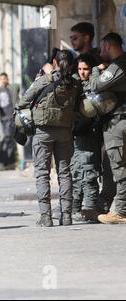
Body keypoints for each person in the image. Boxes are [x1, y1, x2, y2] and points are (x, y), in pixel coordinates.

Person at [16, 50, 81, 227]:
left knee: (43, 174)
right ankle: (66, 216)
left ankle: (46, 217)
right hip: (65, 132)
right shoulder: (75, 83)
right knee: (65, 173)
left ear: (54, 62)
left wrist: (44, 75)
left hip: (43, 132)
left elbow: (23, 101)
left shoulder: (46, 79)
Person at [87, 33, 126, 224]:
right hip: (116, 121)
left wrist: (95, 69)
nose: (101, 52)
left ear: (109, 45)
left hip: (118, 122)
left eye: (102, 48)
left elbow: (96, 85)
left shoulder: (119, 64)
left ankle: (122, 211)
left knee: (119, 168)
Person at [71, 54, 103, 222]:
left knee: (89, 174)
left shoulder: (96, 85)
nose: (82, 72)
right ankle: (74, 208)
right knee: (76, 172)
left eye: (86, 69)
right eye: (79, 69)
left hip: (90, 135)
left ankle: (90, 210)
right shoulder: (75, 85)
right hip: (76, 136)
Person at [0, 72, 19, 171]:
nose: (3, 81)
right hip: (3, 119)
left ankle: (4, 162)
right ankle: (11, 162)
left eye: (4, 79)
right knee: (9, 140)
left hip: (11, 117)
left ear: (7, 79)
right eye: (1, 79)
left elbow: (18, 90)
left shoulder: (11, 89)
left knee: (7, 138)